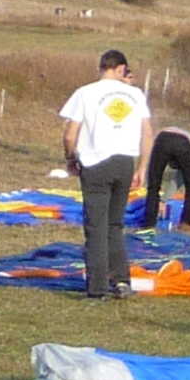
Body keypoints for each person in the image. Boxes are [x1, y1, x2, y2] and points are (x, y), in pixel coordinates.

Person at [58, 50, 152, 297]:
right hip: (124, 162)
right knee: (115, 224)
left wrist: (70, 158)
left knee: (96, 226)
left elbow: (70, 134)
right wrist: (142, 166)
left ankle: (98, 287)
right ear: (121, 69)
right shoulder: (135, 94)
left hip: (95, 162)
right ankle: (122, 281)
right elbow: (148, 133)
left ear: (102, 68)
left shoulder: (85, 93)